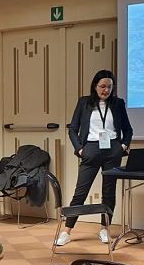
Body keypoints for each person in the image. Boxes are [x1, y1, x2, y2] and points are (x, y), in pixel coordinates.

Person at [56, 69, 133, 246]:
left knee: (109, 192)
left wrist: (122, 146)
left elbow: (128, 129)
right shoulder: (84, 102)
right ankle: (66, 231)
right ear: (95, 86)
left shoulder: (118, 104)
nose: (106, 90)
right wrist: (80, 149)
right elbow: (73, 129)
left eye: (109, 87)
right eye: (102, 86)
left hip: (112, 150)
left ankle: (105, 229)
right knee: (80, 193)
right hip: (90, 149)